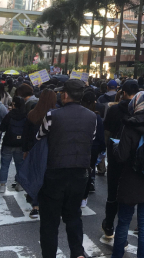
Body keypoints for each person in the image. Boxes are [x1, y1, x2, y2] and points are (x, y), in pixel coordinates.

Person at [37, 79, 97, 258]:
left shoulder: (52, 115)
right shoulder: (92, 117)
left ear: (64, 95)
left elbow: (39, 136)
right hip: (80, 172)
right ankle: (78, 252)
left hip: (55, 171)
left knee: (50, 220)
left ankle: (49, 255)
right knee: (73, 215)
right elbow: (91, 139)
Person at [111, 92, 144, 258]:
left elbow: (121, 156)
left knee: (123, 223)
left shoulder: (130, 126)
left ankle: (117, 255)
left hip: (130, 182)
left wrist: (114, 147)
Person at [101, 79, 139, 239]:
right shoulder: (140, 110)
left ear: (122, 92)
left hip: (115, 155)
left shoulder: (114, 109)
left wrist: (107, 149)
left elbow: (107, 133)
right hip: (134, 157)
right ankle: (123, 225)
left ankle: (109, 225)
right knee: (129, 191)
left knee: (113, 191)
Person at [22, 89, 58, 219]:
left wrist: (25, 150)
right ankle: (48, 204)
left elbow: (26, 135)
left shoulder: (33, 113)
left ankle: (35, 206)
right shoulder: (56, 114)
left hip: (34, 149)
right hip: (52, 150)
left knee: (36, 177)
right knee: (49, 178)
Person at [79, 90, 106, 208]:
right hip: (93, 148)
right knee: (89, 171)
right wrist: (102, 149)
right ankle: (84, 198)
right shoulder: (96, 117)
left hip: (79, 146)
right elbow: (101, 136)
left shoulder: (78, 114)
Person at [0, 96, 27, 193]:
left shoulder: (9, 115)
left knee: (5, 165)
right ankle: (19, 184)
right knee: (20, 165)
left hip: (8, 142)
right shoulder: (26, 115)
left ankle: (2, 185)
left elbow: (2, 128)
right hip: (20, 143)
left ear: (14, 104)